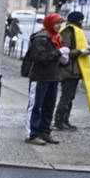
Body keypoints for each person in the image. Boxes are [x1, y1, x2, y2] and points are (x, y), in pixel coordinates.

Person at [24, 13, 67, 145]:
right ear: (49, 24)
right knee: (36, 106)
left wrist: (65, 60)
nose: (59, 26)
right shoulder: (40, 39)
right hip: (40, 77)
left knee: (49, 107)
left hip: (53, 77)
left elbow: (57, 58)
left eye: (60, 23)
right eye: (56, 23)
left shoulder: (57, 38)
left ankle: (44, 132)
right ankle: (32, 134)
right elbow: (40, 58)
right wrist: (59, 53)